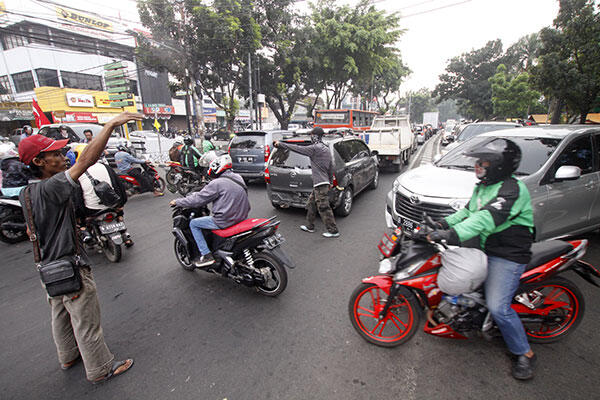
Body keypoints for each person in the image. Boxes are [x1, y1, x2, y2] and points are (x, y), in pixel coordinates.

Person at [17, 111, 142, 384]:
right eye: (56, 155)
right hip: (69, 267)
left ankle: (68, 356)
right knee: (86, 322)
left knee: (60, 315)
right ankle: (100, 368)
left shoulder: (27, 192)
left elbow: (30, 231)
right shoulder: (53, 187)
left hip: (46, 268)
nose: (63, 157)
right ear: (39, 162)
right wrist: (109, 125)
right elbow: (87, 160)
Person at [426, 138, 536, 380]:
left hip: (507, 254)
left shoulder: (512, 190)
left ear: (500, 165)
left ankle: (523, 353)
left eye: (483, 162)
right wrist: (443, 223)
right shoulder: (484, 186)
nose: (478, 166)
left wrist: (451, 235)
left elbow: (484, 219)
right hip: (486, 246)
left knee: (499, 306)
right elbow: (468, 212)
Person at [169, 154, 250, 267]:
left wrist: (177, 202)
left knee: (194, 224)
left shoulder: (216, 183)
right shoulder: (237, 177)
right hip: (242, 217)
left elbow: (198, 200)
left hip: (225, 220)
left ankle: (206, 255)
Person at [273, 127, 340, 238]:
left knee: (323, 207)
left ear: (315, 136)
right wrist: (330, 181)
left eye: (312, 134)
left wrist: (280, 144)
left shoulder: (315, 149)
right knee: (311, 204)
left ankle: (333, 231)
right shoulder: (325, 148)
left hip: (320, 184)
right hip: (322, 183)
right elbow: (330, 167)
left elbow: (297, 148)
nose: (311, 136)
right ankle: (310, 226)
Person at [73, 159, 132, 246]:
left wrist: (78, 214)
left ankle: (84, 231)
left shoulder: (77, 173)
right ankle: (125, 234)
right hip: (113, 204)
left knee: (80, 220)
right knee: (119, 213)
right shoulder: (105, 167)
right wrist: (121, 203)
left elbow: (77, 198)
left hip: (92, 209)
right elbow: (119, 185)